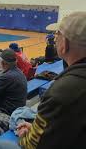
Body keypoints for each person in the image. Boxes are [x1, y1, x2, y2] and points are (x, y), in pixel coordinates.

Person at [17, 12, 86, 149]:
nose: (55, 39)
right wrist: (40, 129)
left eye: (57, 34)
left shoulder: (62, 91)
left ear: (64, 43)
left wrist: (26, 136)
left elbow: (32, 145)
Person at [0, 49, 27, 134]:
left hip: (8, 113)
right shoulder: (19, 72)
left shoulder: (6, 77)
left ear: (3, 63)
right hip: (19, 109)